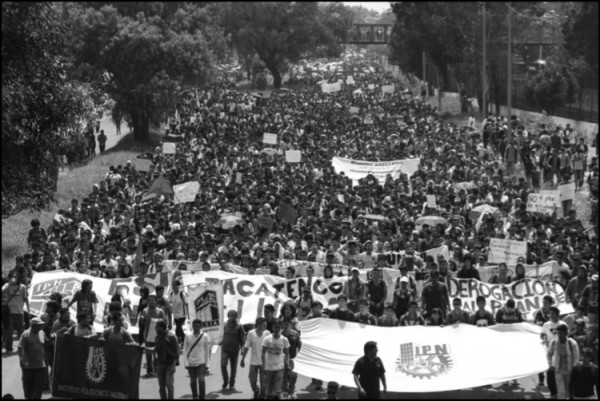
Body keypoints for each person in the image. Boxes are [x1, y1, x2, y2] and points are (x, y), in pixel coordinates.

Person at [145, 319, 179, 400]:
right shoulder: (158, 337)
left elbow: (176, 353)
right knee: (161, 387)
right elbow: (155, 349)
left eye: (157, 327)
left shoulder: (172, 337)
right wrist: (144, 348)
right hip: (160, 364)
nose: (155, 329)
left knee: (169, 385)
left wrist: (173, 366)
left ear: (162, 327)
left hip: (170, 364)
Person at [547, 323, 580, 399]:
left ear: (566, 333)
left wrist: (574, 368)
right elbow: (549, 354)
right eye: (557, 333)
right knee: (561, 391)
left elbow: (576, 357)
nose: (558, 335)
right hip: (558, 370)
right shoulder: (553, 342)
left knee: (569, 391)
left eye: (560, 333)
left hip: (570, 370)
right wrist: (550, 364)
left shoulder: (572, 343)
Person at [18, 317, 48, 400]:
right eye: (39, 325)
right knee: (28, 385)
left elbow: (45, 343)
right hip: (28, 365)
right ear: (33, 325)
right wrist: (21, 359)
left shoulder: (42, 332)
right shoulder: (25, 334)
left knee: (38, 386)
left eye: (41, 325)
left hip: (40, 365)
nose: (41, 326)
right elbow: (20, 347)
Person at [241, 317, 270, 400]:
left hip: (264, 361)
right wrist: (243, 359)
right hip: (254, 361)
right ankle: (256, 389)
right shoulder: (251, 333)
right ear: (257, 325)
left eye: (266, 325)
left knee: (263, 381)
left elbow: (270, 345)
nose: (265, 327)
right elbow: (247, 346)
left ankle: (262, 395)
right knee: (252, 379)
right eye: (263, 325)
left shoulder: (267, 333)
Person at [262, 319, 290, 400]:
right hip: (269, 365)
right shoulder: (267, 339)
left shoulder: (284, 339)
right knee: (269, 385)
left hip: (280, 366)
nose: (276, 329)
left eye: (278, 327)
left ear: (281, 328)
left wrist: (287, 363)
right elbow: (263, 352)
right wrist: (263, 364)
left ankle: (277, 394)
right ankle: (269, 395)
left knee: (278, 385)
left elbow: (287, 353)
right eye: (275, 327)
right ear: (272, 328)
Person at [140, 294, 166, 377]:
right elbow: (142, 323)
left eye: (152, 300)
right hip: (147, 335)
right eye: (149, 300)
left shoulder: (160, 311)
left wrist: (155, 320)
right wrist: (142, 319)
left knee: (158, 353)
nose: (151, 301)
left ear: (156, 301)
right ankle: (149, 370)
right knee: (148, 353)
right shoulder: (145, 311)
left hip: (158, 335)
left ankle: (157, 370)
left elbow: (165, 322)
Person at [2, 273, 29, 353]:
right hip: (9, 311)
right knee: (8, 331)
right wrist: (9, 285)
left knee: (20, 331)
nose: (14, 278)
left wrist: (28, 310)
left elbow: (26, 299)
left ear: (18, 278)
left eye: (15, 276)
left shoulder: (22, 287)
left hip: (19, 312)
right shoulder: (7, 285)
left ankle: (23, 346)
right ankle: (9, 348)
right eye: (12, 277)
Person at [183, 319, 210, 400]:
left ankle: (202, 397)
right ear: (192, 326)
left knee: (201, 380)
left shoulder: (205, 336)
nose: (196, 328)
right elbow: (185, 349)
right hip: (191, 362)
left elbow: (207, 350)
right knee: (193, 381)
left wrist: (207, 363)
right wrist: (186, 363)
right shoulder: (188, 336)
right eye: (194, 326)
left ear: (200, 327)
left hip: (201, 362)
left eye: (198, 326)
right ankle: (195, 395)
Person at [221, 309, 245, 391]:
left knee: (233, 367)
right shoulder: (224, 325)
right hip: (225, 349)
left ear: (236, 317)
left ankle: (231, 384)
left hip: (234, 350)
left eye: (234, 315)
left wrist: (242, 349)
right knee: (223, 365)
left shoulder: (239, 326)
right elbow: (219, 335)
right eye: (230, 315)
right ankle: (225, 381)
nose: (232, 317)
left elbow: (242, 338)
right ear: (228, 316)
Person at [281, 319, 302, 399]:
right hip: (282, 359)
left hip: (293, 358)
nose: (285, 325)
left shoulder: (295, 333)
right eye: (284, 324)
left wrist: (300, 355)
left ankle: (292, 391)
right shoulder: (280, 334)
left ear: (290, 324)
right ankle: (285, 393)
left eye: (287, 323)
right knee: (284, 377)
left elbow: (299, 345)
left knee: (293, 377)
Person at [167, 279, 189, 347]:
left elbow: (187, 304)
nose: (173, 287)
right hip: (175, 314)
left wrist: (189, 315)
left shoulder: (182, 294)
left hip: (182, 314)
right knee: (180, 329)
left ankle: (175, 342)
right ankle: (184, 341)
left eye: (174, 285)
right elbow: (169, 302)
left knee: (178, 328)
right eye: (172, 285)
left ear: (178, 286)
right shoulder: (171, 294)